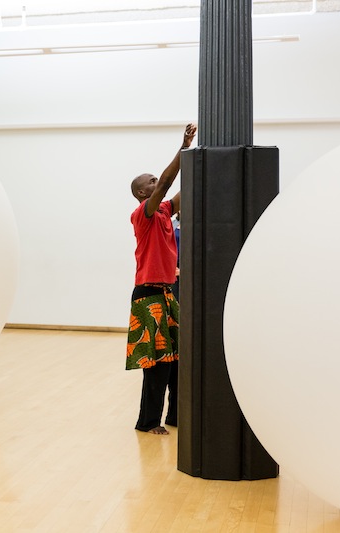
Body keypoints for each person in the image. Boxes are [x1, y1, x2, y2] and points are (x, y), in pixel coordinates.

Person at [126, 123, 197, 435]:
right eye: (151, 182)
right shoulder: (144, 213)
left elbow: (184, 188)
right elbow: (168, 183)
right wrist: (184, 146)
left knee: (178, 362)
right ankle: (148, 423)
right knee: (157, 365)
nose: (158, 182)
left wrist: (199, 159)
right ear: (144, 193)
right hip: (147, 295)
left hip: (166, 294)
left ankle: (175, 417)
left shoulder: (166, 212)